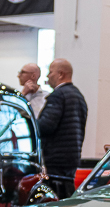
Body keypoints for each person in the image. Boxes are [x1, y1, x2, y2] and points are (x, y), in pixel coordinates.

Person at [36, 58, 87, 198]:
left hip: (55, 160)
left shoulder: (58, 96)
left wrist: (29, 122)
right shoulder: (79, 96)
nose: (48, 76)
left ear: (60, 74)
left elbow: (45, 126)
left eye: (50, 72)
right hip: (72, 158)